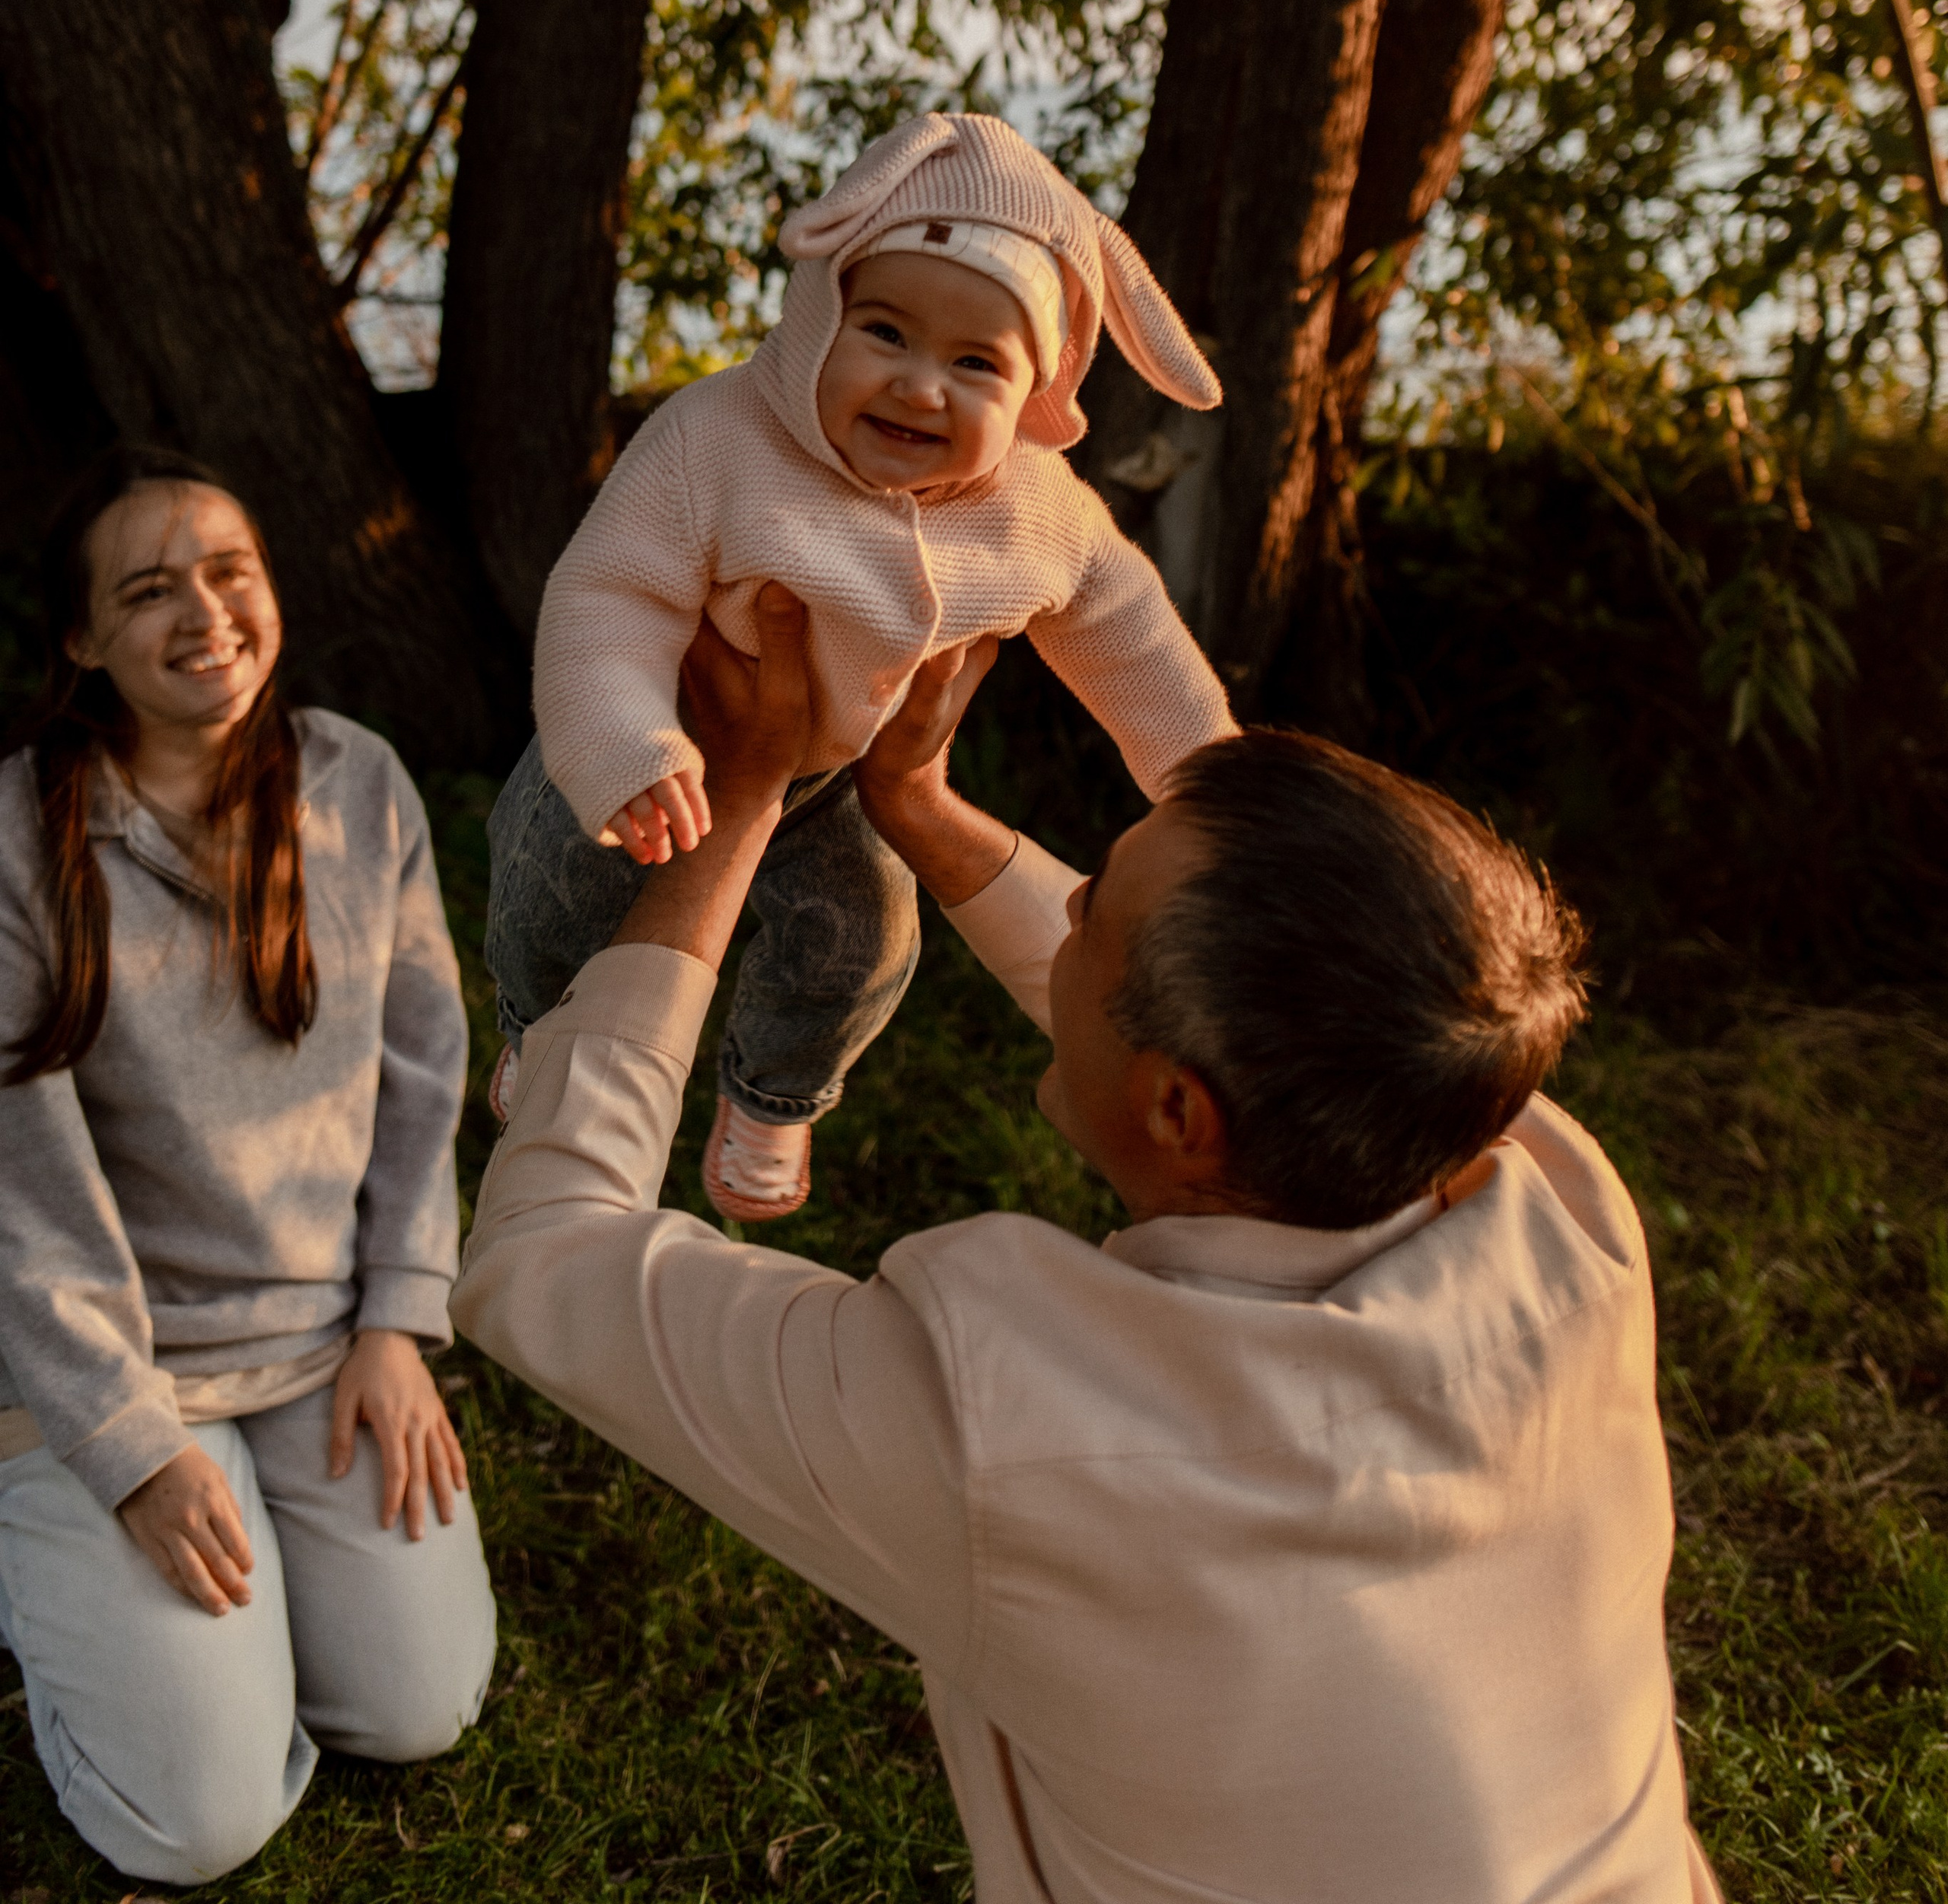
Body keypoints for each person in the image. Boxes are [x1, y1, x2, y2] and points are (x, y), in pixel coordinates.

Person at [454, 584, 1721, 1903]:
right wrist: (925, 815)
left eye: (1089, 909)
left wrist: (747, 787)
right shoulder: (1556, 1205)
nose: (1061, 912)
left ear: (1180, 1110)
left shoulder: (1009, 1420)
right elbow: (1233, 1019)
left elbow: (544, 1253)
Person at [485, 108, 1234, 1222]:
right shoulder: (717, 438)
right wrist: (621, 739)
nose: (920, 385)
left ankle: (776, 1091)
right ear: (815, 318)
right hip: (662, 733)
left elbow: (1130, 635)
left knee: (866, 940)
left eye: (975, 363)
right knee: (559, 888)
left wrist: (1215, 787)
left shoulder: (1039, 511)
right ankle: (541, 1036)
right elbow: (612, 593)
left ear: (1038, 393)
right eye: (884, 332)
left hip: (840, 774)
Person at [0, 447, 495, 1888]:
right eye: (149, 590)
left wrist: (398, 1320)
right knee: (195, 1829)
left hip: (317, 1347)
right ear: (86, 640)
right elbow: (22, 1193)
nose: (204, 611)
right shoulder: (21, 837)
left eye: (230, 571)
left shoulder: (358, 781)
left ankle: (253, 1592)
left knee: (419, 1709)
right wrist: (135, 1452)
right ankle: (46, 1558)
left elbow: (422, 1068)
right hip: (102, 1370)